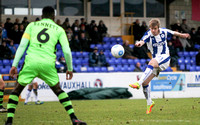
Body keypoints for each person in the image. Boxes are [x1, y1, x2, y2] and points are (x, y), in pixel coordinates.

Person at [5, 6, 87, 125]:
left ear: (42, 16)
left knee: (16, 90)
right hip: (48, 64)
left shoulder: (31, 26)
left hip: (31, 62)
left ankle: (9, 121)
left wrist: (14, 65)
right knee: (58, 90)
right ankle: (74, 118)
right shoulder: (59, 29)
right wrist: (69, 69)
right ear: (53, 17)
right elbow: (67, 51)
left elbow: (22, 46)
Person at [129, 18, 190, 114]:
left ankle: (138, 83)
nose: (153, 30)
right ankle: (149, 103)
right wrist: (139, 43)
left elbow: (173, 32)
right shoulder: (148, 34)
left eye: (155, 28)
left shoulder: (163, 32)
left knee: (151, 62)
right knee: (146, 83)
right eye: (151, 28)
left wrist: (182, 35)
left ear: (158, 28)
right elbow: (142, 41)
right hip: (157, 61)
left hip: (165, 58)